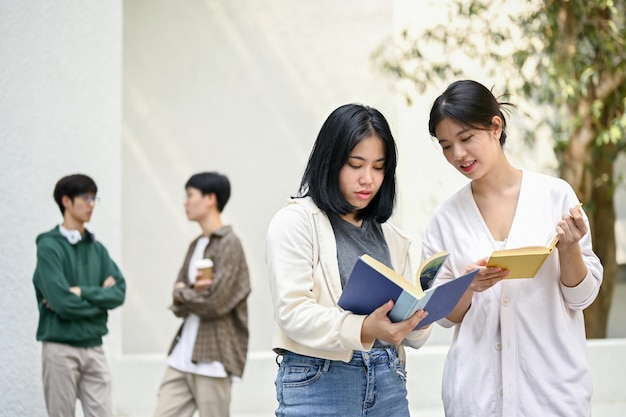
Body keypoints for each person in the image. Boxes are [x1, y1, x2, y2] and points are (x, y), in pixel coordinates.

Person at [422, 79, 603, 416]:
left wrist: (569, 249)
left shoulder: (555, 196)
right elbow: (444, 315)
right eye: (446, 146)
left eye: (465, 138)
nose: (458, 155)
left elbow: (581, 298)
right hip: (475, 397)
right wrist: (468, 286)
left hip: (551, 395)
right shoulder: (445, 218)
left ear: (495, 127)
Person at [266, 103, 432, 417]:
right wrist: (364, 328)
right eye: (355, 164)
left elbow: (415, 336)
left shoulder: (392, 237)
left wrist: (423, 312)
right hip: (320, 380)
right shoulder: (296, 222)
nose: (368, 179)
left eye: (379, 167)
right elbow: (293, 312)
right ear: (330, 162)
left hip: (388, 379)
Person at [153, 172, 251, 417]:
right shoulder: (196, 244)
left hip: (213, 359)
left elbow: (214, 302)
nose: (185, 202)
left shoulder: (230, 243)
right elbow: (176, 304)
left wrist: (184, 294)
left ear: (210, 199)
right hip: (180, 356)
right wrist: (188, 294)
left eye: (190, 196)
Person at [32, 173, 126, 417]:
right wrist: (99, 303)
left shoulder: (98, 249)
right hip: (60, 349)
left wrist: (83, 292)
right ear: (66, 201)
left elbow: (119, 292)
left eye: (94, 198)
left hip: (94, 348)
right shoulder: (49, 247)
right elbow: (62, 303)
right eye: (85, 197)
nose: (91, 204)